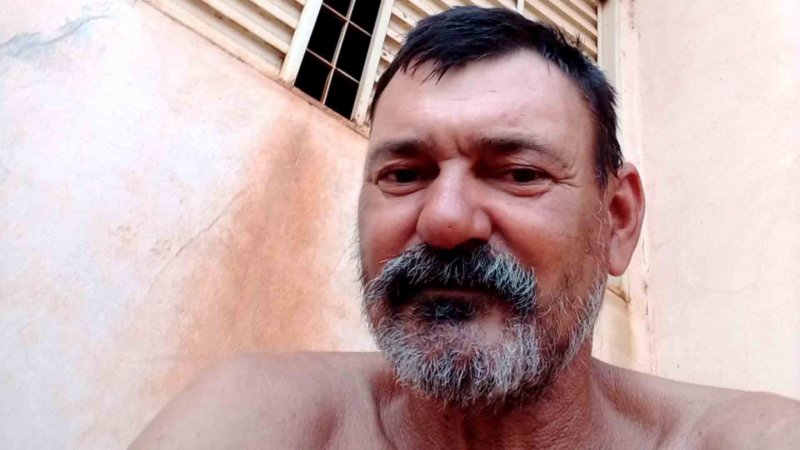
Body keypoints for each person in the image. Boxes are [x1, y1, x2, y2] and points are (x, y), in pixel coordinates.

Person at [132, 7, 800, 449]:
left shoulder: (748, 439)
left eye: (519, 173)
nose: (445, 220)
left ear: (617, 220)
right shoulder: (262, 420)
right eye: (404, 174)